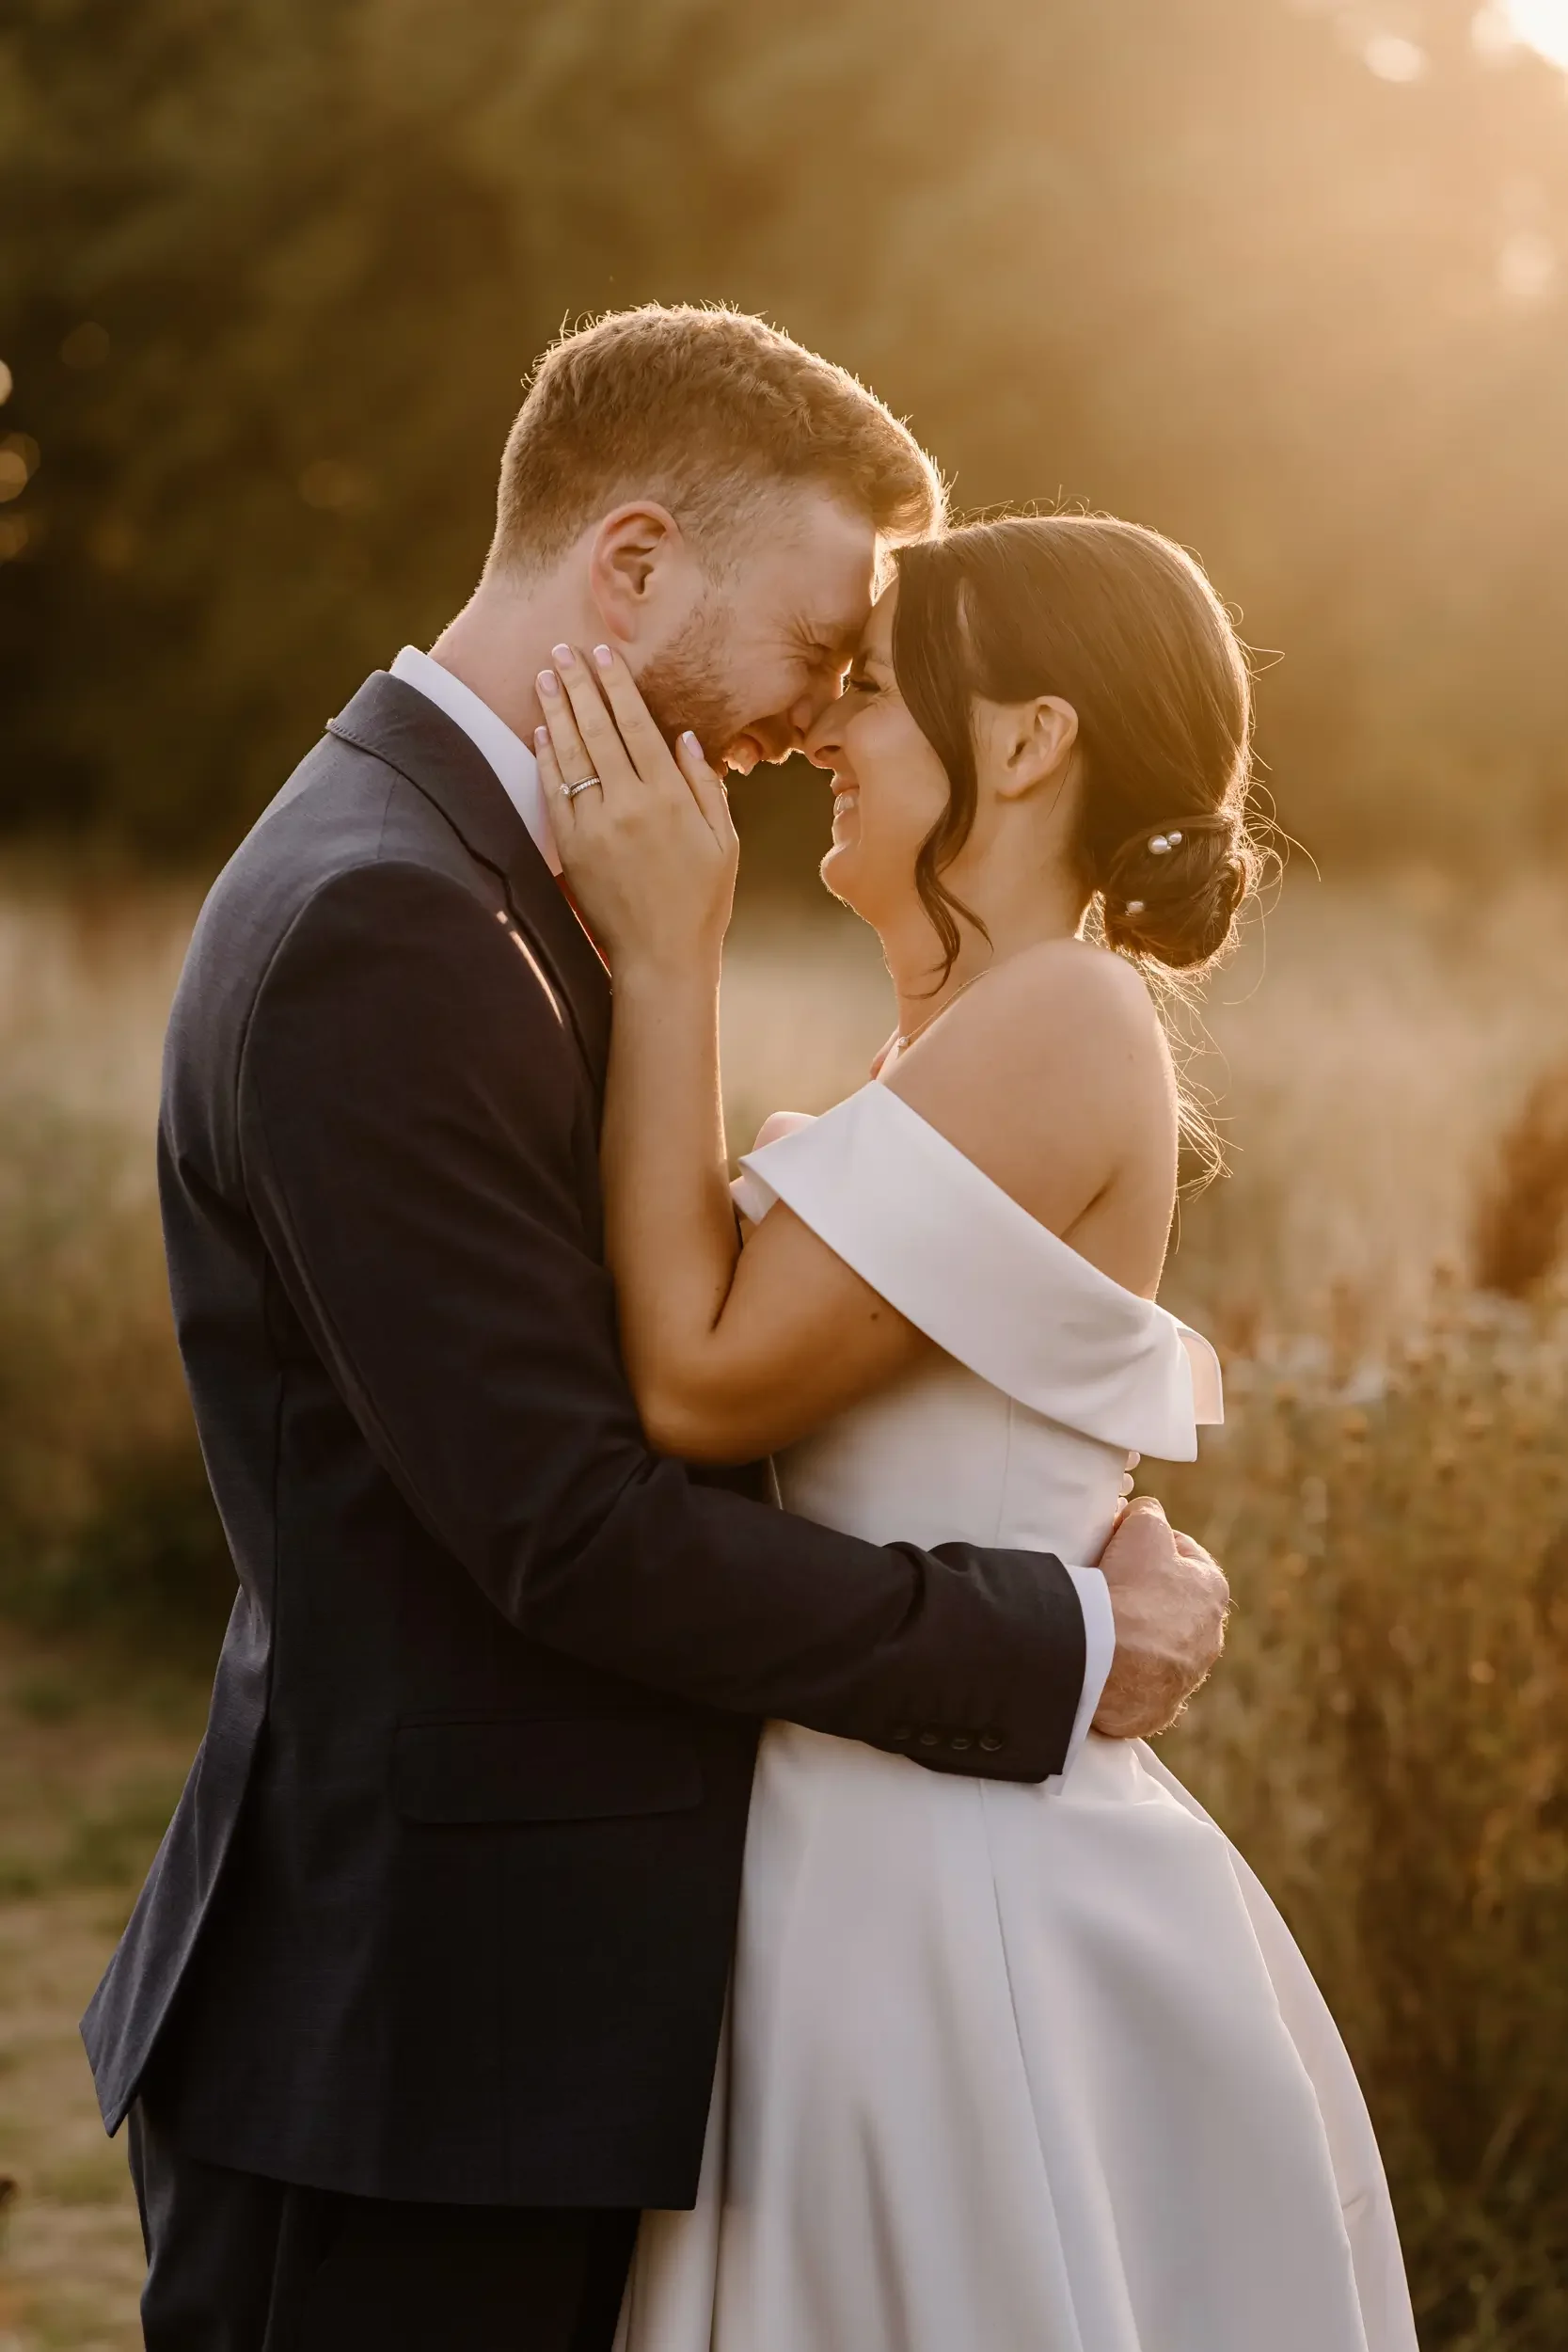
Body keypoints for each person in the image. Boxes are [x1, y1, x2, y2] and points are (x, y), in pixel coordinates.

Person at [80, 308, 1227, 2352]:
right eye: (819, 641)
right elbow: (569, 1522)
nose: (817, 710)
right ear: (631, 564)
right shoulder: (391, 920)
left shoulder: (468, 881)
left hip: (532, 2017)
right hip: (415, 2040)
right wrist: (1049, 1632)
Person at [540, 511, 1418, 2352]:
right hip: (858, 1830)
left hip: (952, 1878)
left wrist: (668, 960)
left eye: (869, 688)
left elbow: (696, 1382)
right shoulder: (954, 1044)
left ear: (1024, 742)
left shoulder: (1064, 1012)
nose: (821, 730)